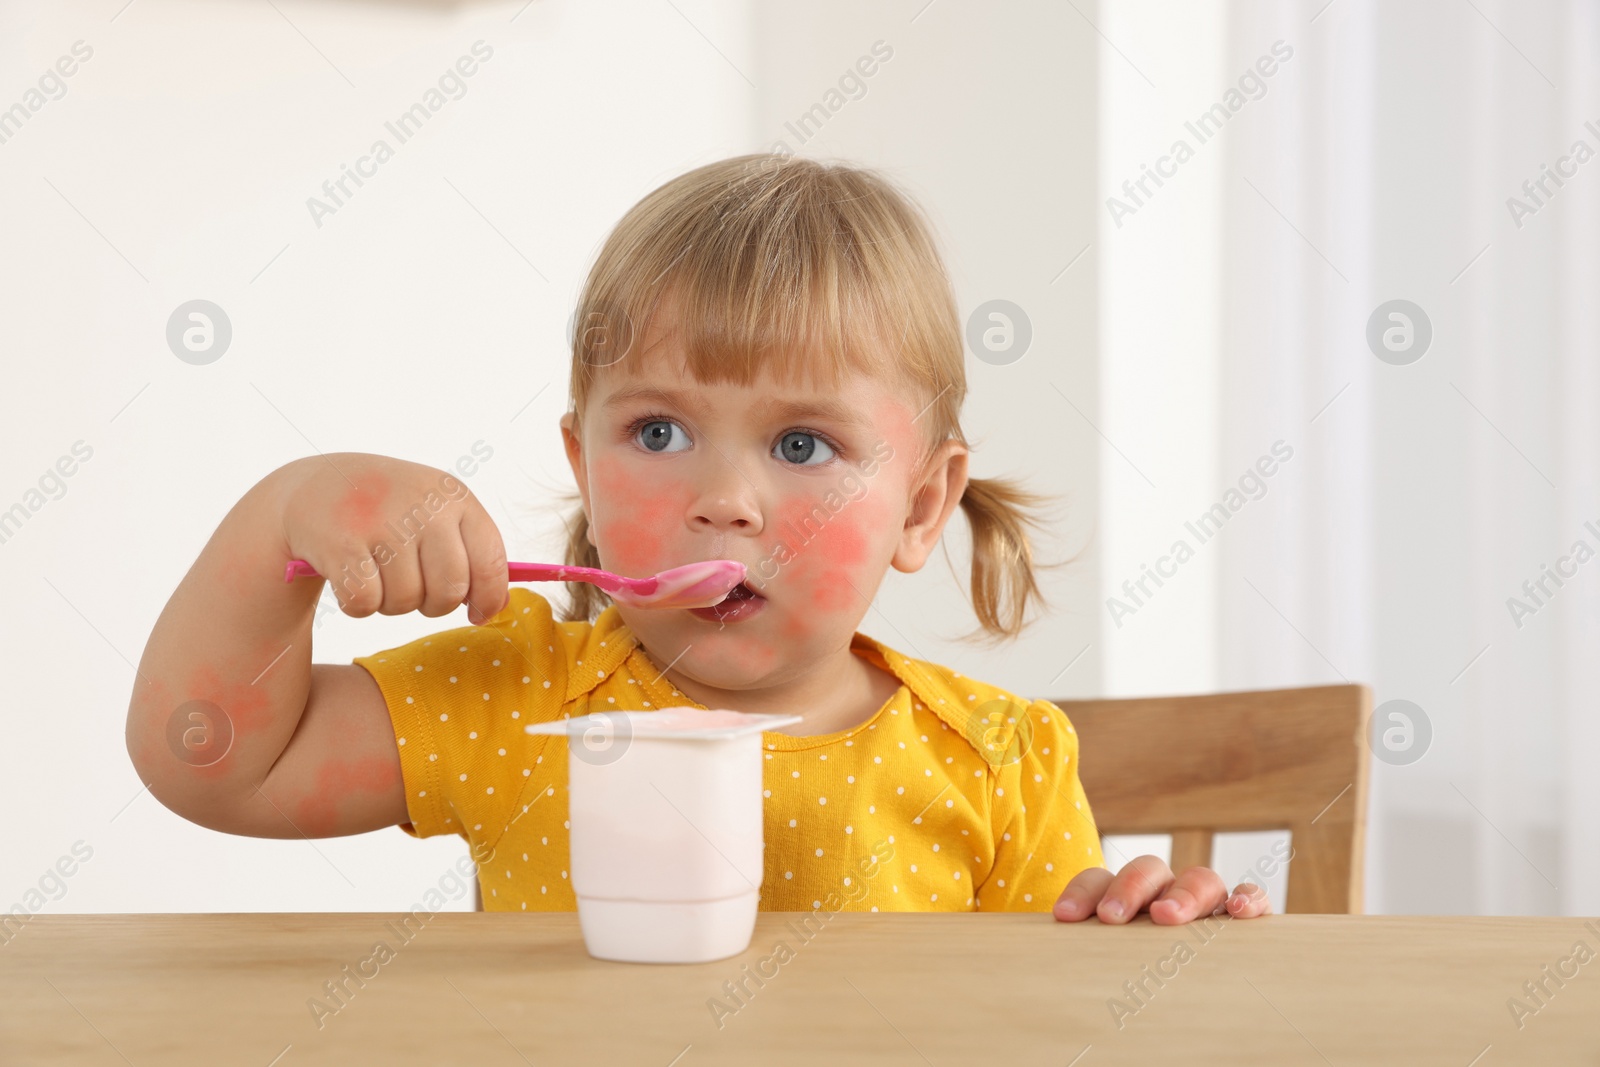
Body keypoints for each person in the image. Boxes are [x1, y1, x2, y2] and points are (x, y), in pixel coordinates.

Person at [127, 154, 1269, 925]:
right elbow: (214, 760)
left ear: (922, 506)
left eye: (805, 445)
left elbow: (1055, 1025)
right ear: (582, 463)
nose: (724, 498)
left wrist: (1145, 937)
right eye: (659, 429)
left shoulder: (1001, 762)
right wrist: (280, 518)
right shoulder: (514, 691)